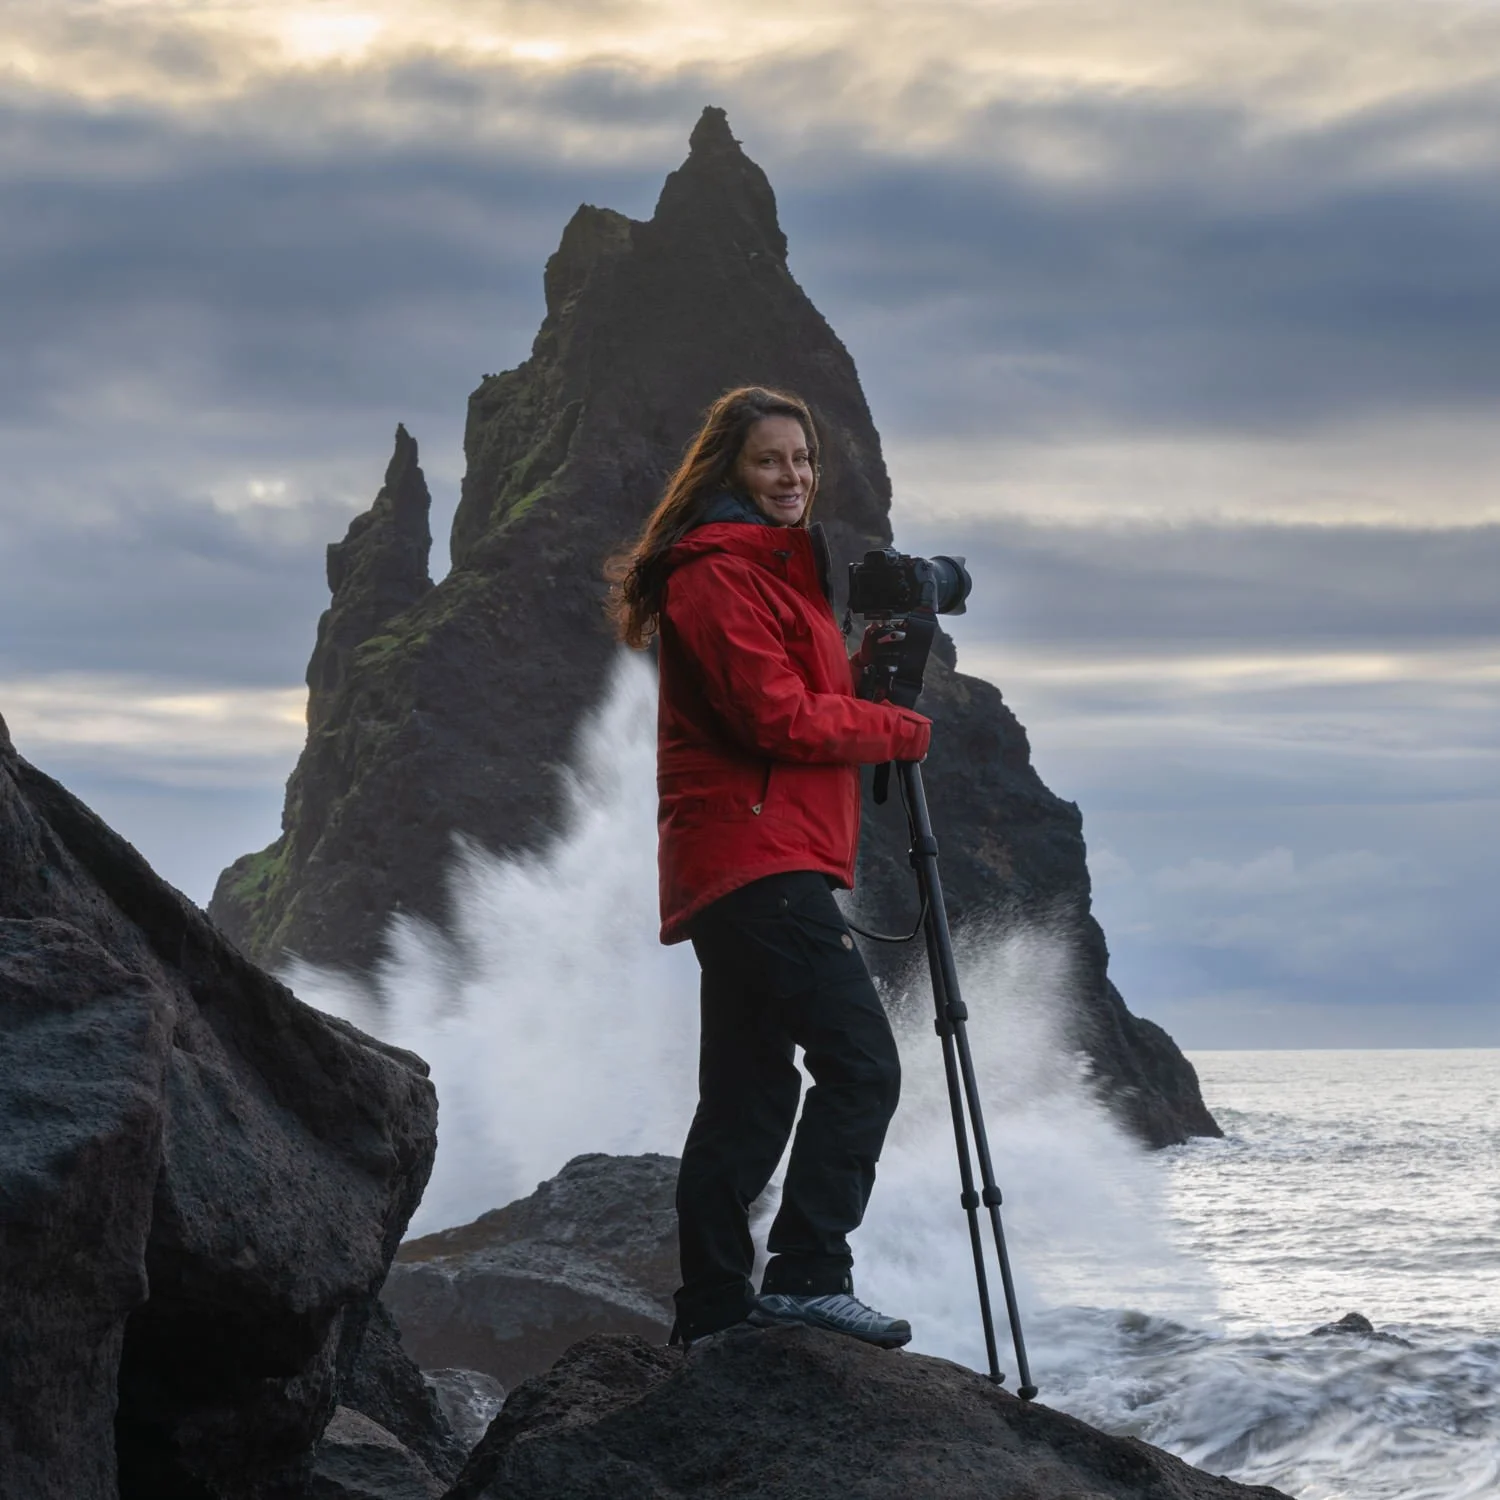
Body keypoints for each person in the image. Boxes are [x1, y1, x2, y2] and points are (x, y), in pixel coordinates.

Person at [607, 385, 932, 1350]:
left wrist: (864, 679)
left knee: (751, 1094)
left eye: (803, 460)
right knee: (861, 1065)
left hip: (753, 861)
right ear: (730, 469)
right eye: (770, 461)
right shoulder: (715, 573)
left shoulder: (771, 574)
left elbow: (799, 698)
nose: (793, 477)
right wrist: (899, 730)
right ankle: (807, 1278)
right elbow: (773, 718)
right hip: (755, 861)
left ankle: (713, 1311)